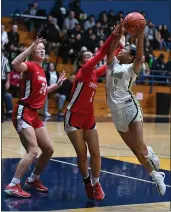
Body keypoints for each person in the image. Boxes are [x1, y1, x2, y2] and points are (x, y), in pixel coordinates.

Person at [64, 23, 124, 200]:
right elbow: (101, 54)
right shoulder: (83, 72)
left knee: (96, 153)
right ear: (83, 62)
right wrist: (113, 35)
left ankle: (96, 183)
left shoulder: (94, 74)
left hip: (89, 117)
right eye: (88, 56)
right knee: (82, 155)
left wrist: (121, 44)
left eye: (91, 55)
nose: (92, 57)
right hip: (73, 117)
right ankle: (86, 182)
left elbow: (111, 61)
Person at [106, 23, 166, 196]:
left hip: (130, 109)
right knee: (135, 150)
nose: (120, 51)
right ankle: (155, 173)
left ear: (130, 57)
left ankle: (152, 165)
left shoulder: (131, 68)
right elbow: (110, 50)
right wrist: (117, 34)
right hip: (117, 115)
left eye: (124, 51)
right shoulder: (112, 64)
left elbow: (140, 57)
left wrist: (140, 37)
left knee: (140, 148)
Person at [4, 37, 66, 198]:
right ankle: (13, 184)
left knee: (48, 149)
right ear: (32, 52)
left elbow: (42, 92)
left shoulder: (41, 70)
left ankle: (33, 179)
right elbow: (15, 64)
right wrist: (30, 48)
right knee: (32, 151)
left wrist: (56, 86)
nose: (42, 50)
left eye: (43, 48)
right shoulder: (29, 66)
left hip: (34, 115)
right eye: (38, 48)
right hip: (23, 112)